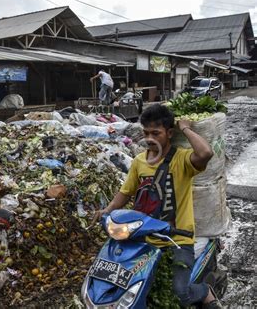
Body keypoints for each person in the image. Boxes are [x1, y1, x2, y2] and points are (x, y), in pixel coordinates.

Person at [93, 104, 221, 308]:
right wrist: (107, 211)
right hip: (142, 237)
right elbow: (125, 192)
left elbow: (205, 153)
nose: (149, 138)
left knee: (180, 294)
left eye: (156, 133)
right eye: (145, 133)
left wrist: (186, 128)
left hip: (177, 239)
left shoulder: (181, 159)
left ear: (169, 133)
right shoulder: (138, 162)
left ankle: (205, 292)